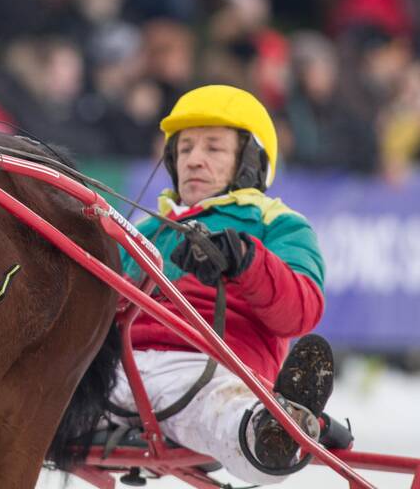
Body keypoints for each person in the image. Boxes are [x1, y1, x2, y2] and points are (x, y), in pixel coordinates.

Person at [111, 84, 331, 483]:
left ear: (249, 162)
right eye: (185, 149)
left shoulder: (276, 224)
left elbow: (302, 311)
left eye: (213, 148)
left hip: (211, 372)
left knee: (230, 419)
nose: (194, 160)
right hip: (116, 367)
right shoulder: (139, 230)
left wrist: (246, 260)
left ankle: (280, 428)